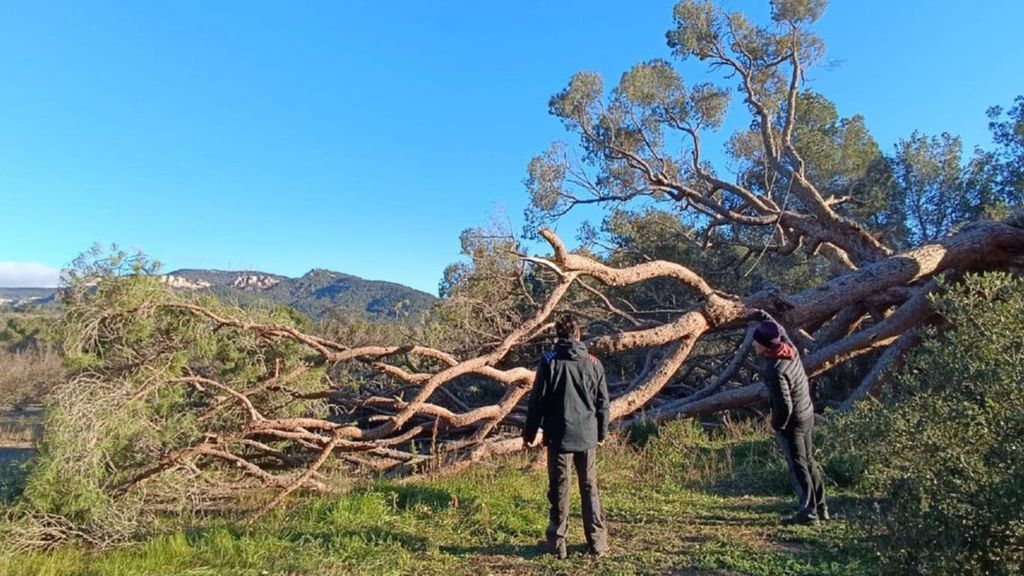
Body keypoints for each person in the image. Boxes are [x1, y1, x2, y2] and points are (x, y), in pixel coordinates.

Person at [523, 312, 610, 559]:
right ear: (578, 334)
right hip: (588, 437)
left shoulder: (549, 362)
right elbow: (603, 403)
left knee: (560, 489)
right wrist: (602, 431)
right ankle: (597, 543)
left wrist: (529, 434)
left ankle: (557, 545)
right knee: (589, 488)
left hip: (559, 437)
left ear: (558, 336)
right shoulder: (594, 363)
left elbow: (536, 402)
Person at [751, 311, 828, 526]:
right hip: (807, 414)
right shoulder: (789, 349)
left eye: (756, 342)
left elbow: (784, 406)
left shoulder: (774, 370)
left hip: (793, 422)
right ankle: (821, 507)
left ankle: (808, 513)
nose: (754, 345)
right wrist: (758, 313)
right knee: (809, 461)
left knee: (798, 466)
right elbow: (778, 329)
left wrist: (777, 425)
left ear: (765, 345)